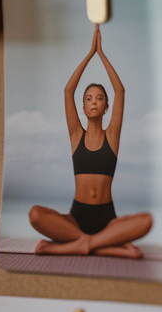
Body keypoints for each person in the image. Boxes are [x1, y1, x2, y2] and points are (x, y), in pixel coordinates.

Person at [28, 24, 153, 258]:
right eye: (88, 98)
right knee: (35, 214)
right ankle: (106, 246)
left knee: (146, 221)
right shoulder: (76, 135)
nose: (94, 102)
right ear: (83, 107)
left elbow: (120, 91)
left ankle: (74, 246)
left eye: (99, 98)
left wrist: (102, 54)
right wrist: (89, 54)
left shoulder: (112, 135)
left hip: (107, 219)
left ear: (106, 107)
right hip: (76, 218)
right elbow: (68, 91)